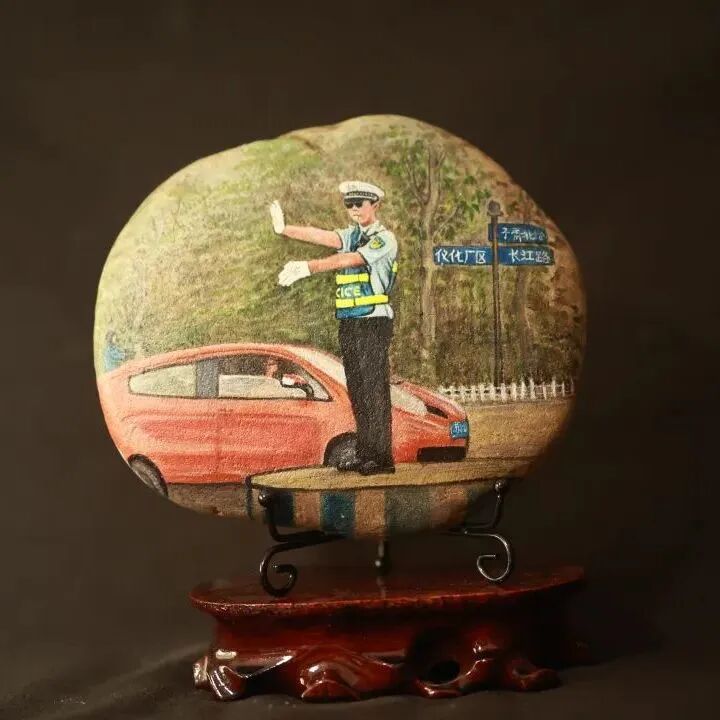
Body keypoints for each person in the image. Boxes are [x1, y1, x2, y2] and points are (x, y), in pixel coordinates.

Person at [271, 181, 398, 476]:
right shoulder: (351, 235)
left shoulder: (384, 239)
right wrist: (285, 229)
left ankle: (382, 458)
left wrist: (309, 267)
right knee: (358, 390)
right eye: (349, 204)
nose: (354, 209)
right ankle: (365, 453)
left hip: (372, 321)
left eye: (359, 204)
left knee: (374, 390)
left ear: (375, 205)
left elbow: (351, 259)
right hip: (350, 321)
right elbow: (322, 236)